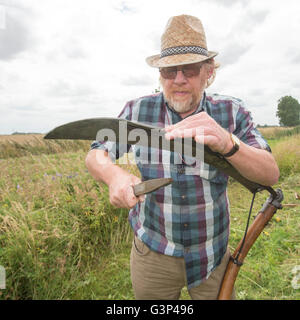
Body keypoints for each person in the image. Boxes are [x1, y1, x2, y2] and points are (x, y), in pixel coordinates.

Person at [85, 14, 279, 300]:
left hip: (211, 254)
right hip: (153, 251)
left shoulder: (231, 112)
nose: (178, 79)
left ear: (208, 71)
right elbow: (96, 154)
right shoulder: (139, 112)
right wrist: (114, 175)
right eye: (168, 71)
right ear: (160, 74)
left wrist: (227, 143)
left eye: (188, 69)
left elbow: (270, 173)